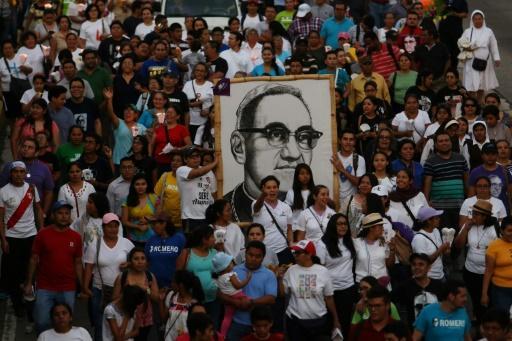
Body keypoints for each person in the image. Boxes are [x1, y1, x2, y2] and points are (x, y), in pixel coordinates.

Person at [225, 83, 324, 222]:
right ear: (239, 147)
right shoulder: (225, 211)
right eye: (276, 134)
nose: (294, 153)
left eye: (304, 136)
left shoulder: (317, 204)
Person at [25, 201, 83, 334]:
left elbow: (78, 262)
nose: (64, 216)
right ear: (53, 216)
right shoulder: (43, 235)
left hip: (68, 287)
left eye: (67, 213)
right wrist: (29, 283)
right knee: (42, 322)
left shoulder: (76, 237)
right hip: (45, 286)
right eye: (60, 213)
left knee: (65, 323)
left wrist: (82, 286)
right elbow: (33, 259)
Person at [0, 161, 43, 318]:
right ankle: (17, 303)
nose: (18, 174)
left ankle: (29, 300)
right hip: (12, 238)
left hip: (30, 235)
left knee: (30, 270)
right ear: (11, 173)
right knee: (13, 273)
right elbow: (1, 218)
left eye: (21, 171)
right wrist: (3, 239)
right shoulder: (3, 192)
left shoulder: (31, 189)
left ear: (25, 173)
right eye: (15, 171)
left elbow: (38, 210)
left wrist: (41, 231)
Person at [82, 213, 134, 341]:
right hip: (100, 290)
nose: (113, 229)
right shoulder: (95, 244)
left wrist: (129, 263)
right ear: (103, 228)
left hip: (122, 292)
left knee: (122, 324)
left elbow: (137, 260)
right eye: (109, 226)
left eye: (116, 226)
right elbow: (88, 267)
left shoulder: (126, 243)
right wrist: (85, 287)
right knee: (100, 324)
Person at [278, 239, 341, 341]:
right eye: (294, 252)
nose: (295, 255)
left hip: (319, 322)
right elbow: (282, 294)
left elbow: (329, 298)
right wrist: (280, 278)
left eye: (298, 253)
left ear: (309, 254)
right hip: (296, 322)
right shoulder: (291, 270)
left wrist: (336, 320)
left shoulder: (323, 271)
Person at [316, 213, 356, 336]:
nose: (343, 227)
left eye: (345, 224)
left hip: (349, 288)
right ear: (333, 225)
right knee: (331, 326)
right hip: (331, 292)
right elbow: (319, 269)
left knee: (346, 325)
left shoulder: (350, 241)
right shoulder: (322, 244)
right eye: (339, 224)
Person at [111, 248, 160, 341]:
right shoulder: (123, 276)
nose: (140, 262)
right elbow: (114, 299)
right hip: (125, 317)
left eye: (143, 258)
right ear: (130, 261)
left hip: (144, 318)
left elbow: (156, 298)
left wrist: (147, 289)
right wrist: (126, 292)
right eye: (136, 259)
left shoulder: (150, 276)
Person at [176, 225, 220, 326]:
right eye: (212, 237)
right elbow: (177, 277)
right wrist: (183, 295)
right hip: (192, 300)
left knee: (213, 328)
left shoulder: (215, 252)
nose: (215, 239)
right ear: (204, 240)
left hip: (214, 300)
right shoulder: (187, 253)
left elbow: (219, 273)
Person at [423, 132, 469, 228]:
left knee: (458, 235)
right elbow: (427, 184)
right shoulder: (430, 161)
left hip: (459, 206)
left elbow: (466, 181)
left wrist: (468, 202)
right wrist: (426, 202)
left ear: (451, 143)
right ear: (436, 145)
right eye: (441, 141)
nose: (444, 143)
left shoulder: (460, 158)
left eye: (446, 140)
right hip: (439, 208)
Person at [459, 10, 500, 103]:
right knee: (472, 83)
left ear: (483, 19)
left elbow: (493, 45)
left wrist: (496, 58)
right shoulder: (468, 32)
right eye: (476, 19)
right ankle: (473, 102)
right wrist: (470, 46)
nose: (478, 21)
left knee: (482, 84)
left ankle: (479, 101)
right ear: (472, 20)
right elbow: (461, 44)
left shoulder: (489, 31)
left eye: (480, 19)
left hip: (485, 62)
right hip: (471, 62)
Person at [392, 253, 443, 327]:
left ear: (429, 267)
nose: (417, 267)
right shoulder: (405, 287)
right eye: (414, 264)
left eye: (421, 264)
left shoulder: (439, 285)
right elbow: (388, 299)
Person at [252, 175, 293, 264]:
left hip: (283, 249)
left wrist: (291, 243)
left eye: (275, 187)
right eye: (268, 188)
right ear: (263, 189)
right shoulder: (257, 203)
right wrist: (263, 195)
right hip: (264, 251)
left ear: (278, 189)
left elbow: (289, 229)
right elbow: (256, 208)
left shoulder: (286, 207)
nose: (272, 190)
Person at [176, 146, 217, 232]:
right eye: (192, 157)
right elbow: (197, 173)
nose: (196, 159)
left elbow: (213, 194)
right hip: (190, 218)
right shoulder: (181, 170)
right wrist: (215, 163)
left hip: (207, 217)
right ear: (185, 159)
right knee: (192, 244)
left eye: (197, 156)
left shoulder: (209, 172)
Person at [160, 270, 205, 341]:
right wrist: (161, 300)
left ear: (181, 285)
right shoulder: (171, 296)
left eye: (173, 282)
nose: (171, 284)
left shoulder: (195, 304)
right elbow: (163, 319)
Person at [144, 212, 185, 289]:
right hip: (153, 285)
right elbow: (146, 261)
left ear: (164, 224)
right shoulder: (151, 240)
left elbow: (184, 262)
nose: (152, 227)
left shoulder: (179, 239)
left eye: (154, 224)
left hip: (173, 285)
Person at [468, 142, 512, 212]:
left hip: (503, 211)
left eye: (493, 154)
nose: (490, 156)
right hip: (482, 213)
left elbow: (510, 194)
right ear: (482, 155)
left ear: (497, 155)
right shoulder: (475, 172)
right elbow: (471, 197)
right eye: (487, 154)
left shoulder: (505, 171)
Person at [354, 213, 395, 286]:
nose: (382, 229)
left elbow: (389, 264)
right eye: (380, 226)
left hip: (382, 284)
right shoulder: (357, 243)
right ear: (371, 228)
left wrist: (392, 250)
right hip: (363, 284)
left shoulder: (384, 242)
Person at [481, 216, 512, 313]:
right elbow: (488, 271)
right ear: (502, 231)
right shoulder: (494, 246)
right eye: (509, 230)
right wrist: (484, 294)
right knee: (503, 319)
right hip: (501, 290)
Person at [149, 105, 192, 174]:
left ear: (178, 116)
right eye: (167, 112)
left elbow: (189, 145)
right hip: (158, 163)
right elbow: (151, 144)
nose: (168, 115)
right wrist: (150, 157)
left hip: (174, 164)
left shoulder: (182, 129)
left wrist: (178, 149)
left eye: (171, 113)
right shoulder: (159, 128)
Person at [411, 206, 450, 281]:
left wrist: (446, 251)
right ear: (429, 220)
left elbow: (441, 253)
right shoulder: (419, 239)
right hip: (428, 279)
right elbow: (423, 262)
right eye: (436, 218)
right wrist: (441, 249)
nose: (439, 219)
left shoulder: (436, 231)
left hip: (441, 275)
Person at [121, 173, 158, 248]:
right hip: (134, 239)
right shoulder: (127, 200)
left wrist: (148, 219)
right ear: (133, 186)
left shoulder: (154, 198)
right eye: (137, 184)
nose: (140, 187)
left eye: (143, 184)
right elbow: (124, 222)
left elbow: (160, 217)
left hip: (153, 238)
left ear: (147, 185)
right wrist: (138, 226)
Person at [332, 130, 367, 208]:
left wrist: (342, 170)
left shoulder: (359, 159)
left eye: (351, 139)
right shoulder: (333, 157)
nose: (348, 142)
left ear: (354, 142)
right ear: (340, 141)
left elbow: (359, 183)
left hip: (352, 203)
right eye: (345, 139)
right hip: (333, 200)